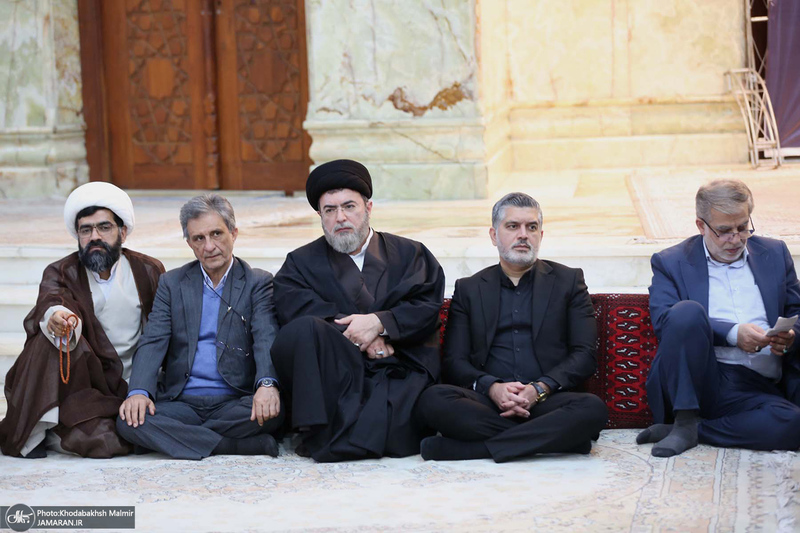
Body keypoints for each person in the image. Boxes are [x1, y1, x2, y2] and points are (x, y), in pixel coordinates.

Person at [270, 159, 445, 462]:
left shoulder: (411, 253)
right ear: (320, 216)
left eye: (349, 206)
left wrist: (380, 323)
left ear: (368, 207)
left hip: (398, 363)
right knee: (303, 329)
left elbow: (426, 305)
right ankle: (320, 430)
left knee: (401, 423)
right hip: (338, 369)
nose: (340, 218)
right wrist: (360, 334)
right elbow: (295, 309)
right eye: (329, 210)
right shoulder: (299, 263)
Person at [415, 192, 607, 462]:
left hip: (548, 401)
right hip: (489, 403)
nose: (523, 235)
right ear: (494, 235)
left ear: (541, 235)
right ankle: (559, 441)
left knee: (592, 409)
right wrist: (492, 388)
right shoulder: (470, 289)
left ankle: (474, 450)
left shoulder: (569, 281)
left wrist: (539, 389)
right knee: (433, 400)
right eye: (513, 226)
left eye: (532, 227)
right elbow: (454, 361)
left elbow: (584, 355)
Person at [0, 182, 164, 458]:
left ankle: (57, 429)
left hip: (131, 380)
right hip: (83, 383)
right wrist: (56, 317)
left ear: (123, 232)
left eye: (104, 227)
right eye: (85, 230)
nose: (94, 237)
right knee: (47, 340)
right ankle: (47, 425)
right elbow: (53, 300)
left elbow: (162, 332)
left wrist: (144, 387)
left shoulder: (148, 270)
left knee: (120, 435)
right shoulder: (62, 271)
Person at [639, 179, 800, 457]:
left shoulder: (774, 253)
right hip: (698, 378)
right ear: (701, 226)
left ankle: (694, 431)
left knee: (793, 423)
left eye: (743, 227)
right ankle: (685, 419)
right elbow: (665, 320)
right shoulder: (671, 262)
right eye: (724, 231)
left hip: (755, 388)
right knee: (686, 311)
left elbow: (796, 311)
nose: (735, 239)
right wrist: (733, 334)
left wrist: (791, 336)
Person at [116, 194, 283, 460]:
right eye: (199, 238)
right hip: (182, 402)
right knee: (129, 421)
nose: (209, 246)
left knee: (272, 412)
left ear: (234, 233)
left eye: (217, 234)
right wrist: (139, 391)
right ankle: (231, 446)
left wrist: (266, 384)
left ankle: (178, 439)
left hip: (235, 400)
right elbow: (153, 339)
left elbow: (266, 336)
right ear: (189, 244)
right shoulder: (172, 283)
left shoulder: (257, 282)